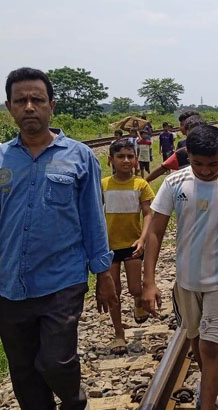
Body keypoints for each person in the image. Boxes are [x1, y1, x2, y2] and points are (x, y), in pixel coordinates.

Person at [0, 67, 117, 410]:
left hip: (61, 281)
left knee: (55, 361)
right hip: (9, 283)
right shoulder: (2, 158)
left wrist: (104, 275)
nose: (30, 107)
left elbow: (93, 218)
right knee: (23, 372)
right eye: (21, 100)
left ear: (52, 105)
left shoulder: (79, 157)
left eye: (37, 99)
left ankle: (73, 400)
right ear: (9, 108)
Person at [142, 124, 218, 410]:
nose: (205, 170)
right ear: (187, 156)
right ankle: (205, 385)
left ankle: (208, 403)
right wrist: (149, 281)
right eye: (198, 164)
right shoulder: (175, 183)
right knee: (194, 338)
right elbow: (155, 231)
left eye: (212, 164)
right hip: (186, 279)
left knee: (210, 345)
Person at [102, 138, 155, 354]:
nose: (126, 160)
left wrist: (142, 239)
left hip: (132, 245)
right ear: (111, 160)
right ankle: (118, 334)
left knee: (135, 288)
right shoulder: (103, 185)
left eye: (130, 157)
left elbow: (148, 213)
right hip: (109, 247)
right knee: (113, 292)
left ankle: (138, 303)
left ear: (135, 160)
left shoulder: (140, 184)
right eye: (120, 156)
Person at [145, 114, 205, 183]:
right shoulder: (182, 150)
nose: (180, 128)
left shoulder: (212, 148)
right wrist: (145, 182)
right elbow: (164, 167)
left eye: (182, 125)